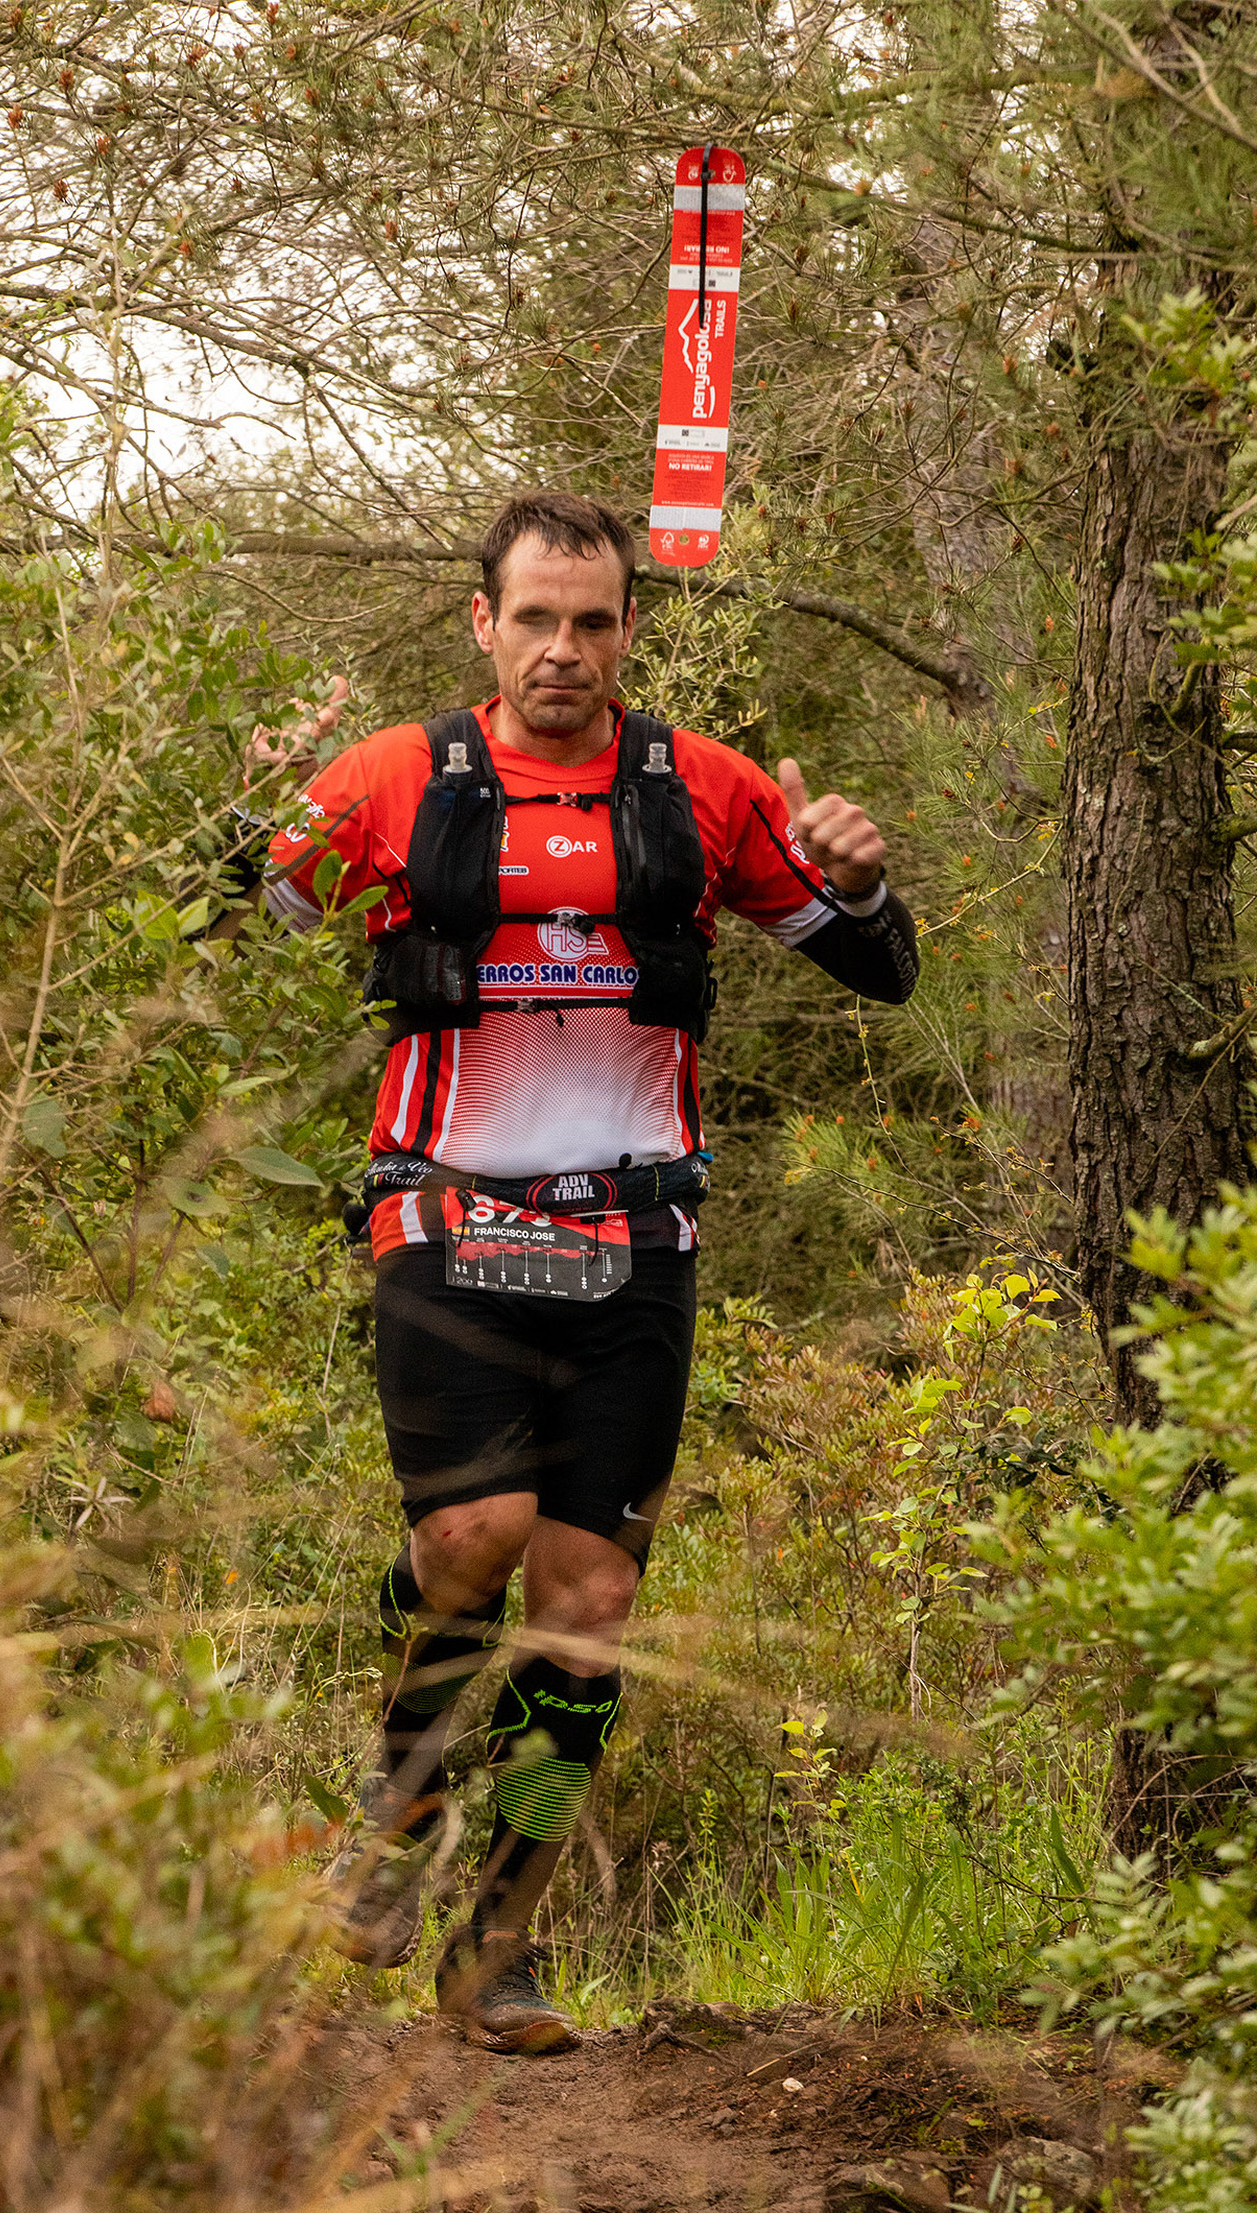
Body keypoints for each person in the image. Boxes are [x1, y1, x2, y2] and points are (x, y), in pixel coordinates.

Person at [242, 491, 918, 2055]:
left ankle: (499, 1946)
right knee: (470, 1536)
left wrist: (863, 882)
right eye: (535, 618)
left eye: (593, 621)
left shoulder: (704, 788)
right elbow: (215, 919)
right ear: (483, 623)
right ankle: (397, 1803)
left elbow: (879, 971)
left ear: (627, 631)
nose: (563, 648)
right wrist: (251, 803)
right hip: (445, 1213)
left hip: (636, 1234)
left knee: (590, 1599)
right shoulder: (396, 776)